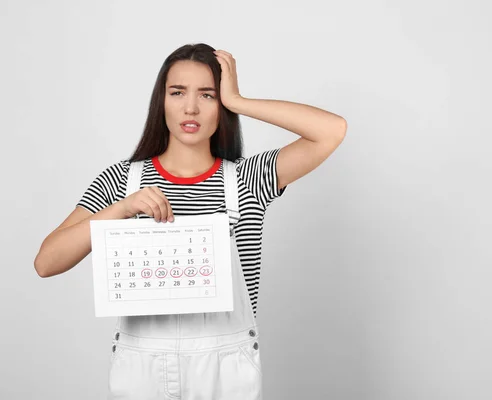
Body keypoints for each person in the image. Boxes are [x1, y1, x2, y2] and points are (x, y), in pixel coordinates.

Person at [34, 43, 346, 399]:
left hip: (225, 369)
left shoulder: (248, 180)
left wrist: (239, 100)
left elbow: (331, 130)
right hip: (142, 369)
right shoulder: (122, 181)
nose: (191, 107)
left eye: (208, 95)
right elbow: (46, 262)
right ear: (161, 101)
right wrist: (120, 209)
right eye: (177, 92)